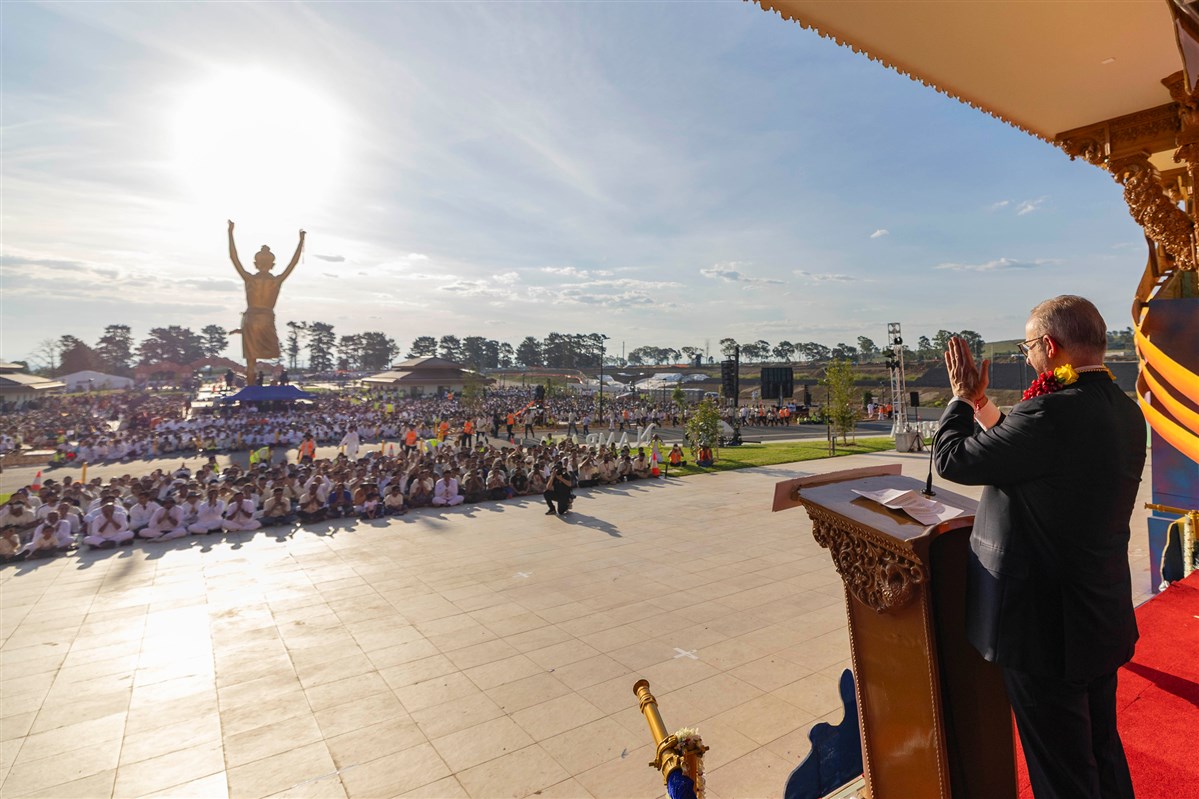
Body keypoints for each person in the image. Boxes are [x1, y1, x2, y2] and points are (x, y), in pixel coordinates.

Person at [934, 295, 1144, 799]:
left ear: (1050, 347)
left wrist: (962, 398)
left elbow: (952, 459)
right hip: (1097, 613)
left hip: (1045, 630)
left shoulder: (1050, 412)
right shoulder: (1123, 410)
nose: (1028, 355)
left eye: (1029, 346)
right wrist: (986, 406)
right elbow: (1024, 448)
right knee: (1099, 750)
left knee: (1062, 772)